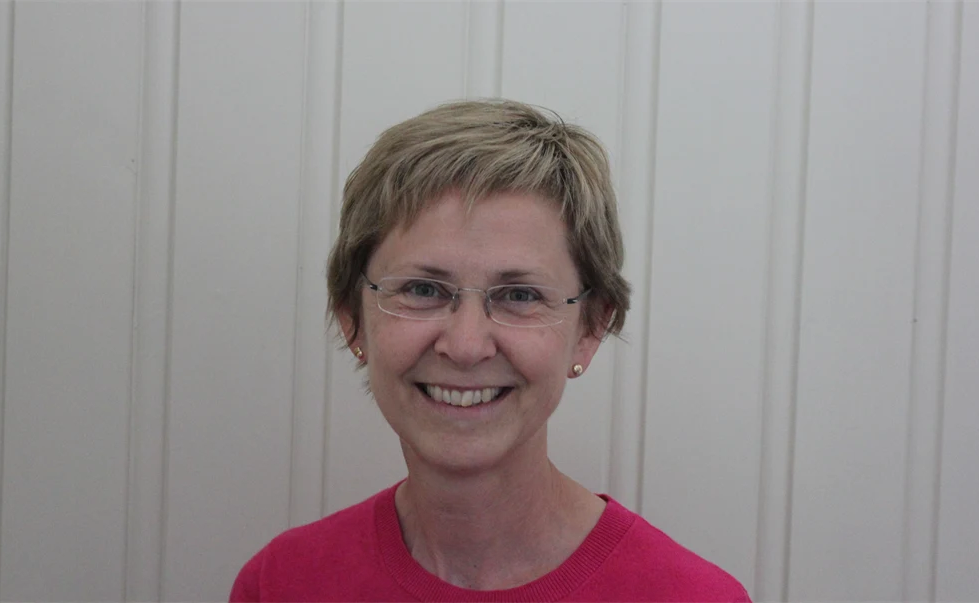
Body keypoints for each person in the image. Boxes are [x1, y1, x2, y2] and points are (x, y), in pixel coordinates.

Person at [230, 100, 751, 602]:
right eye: (423, 290)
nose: (465, 346)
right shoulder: (282, 585)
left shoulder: (692, 598)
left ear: (591, 328)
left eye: (519, 295)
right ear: (351, 318)